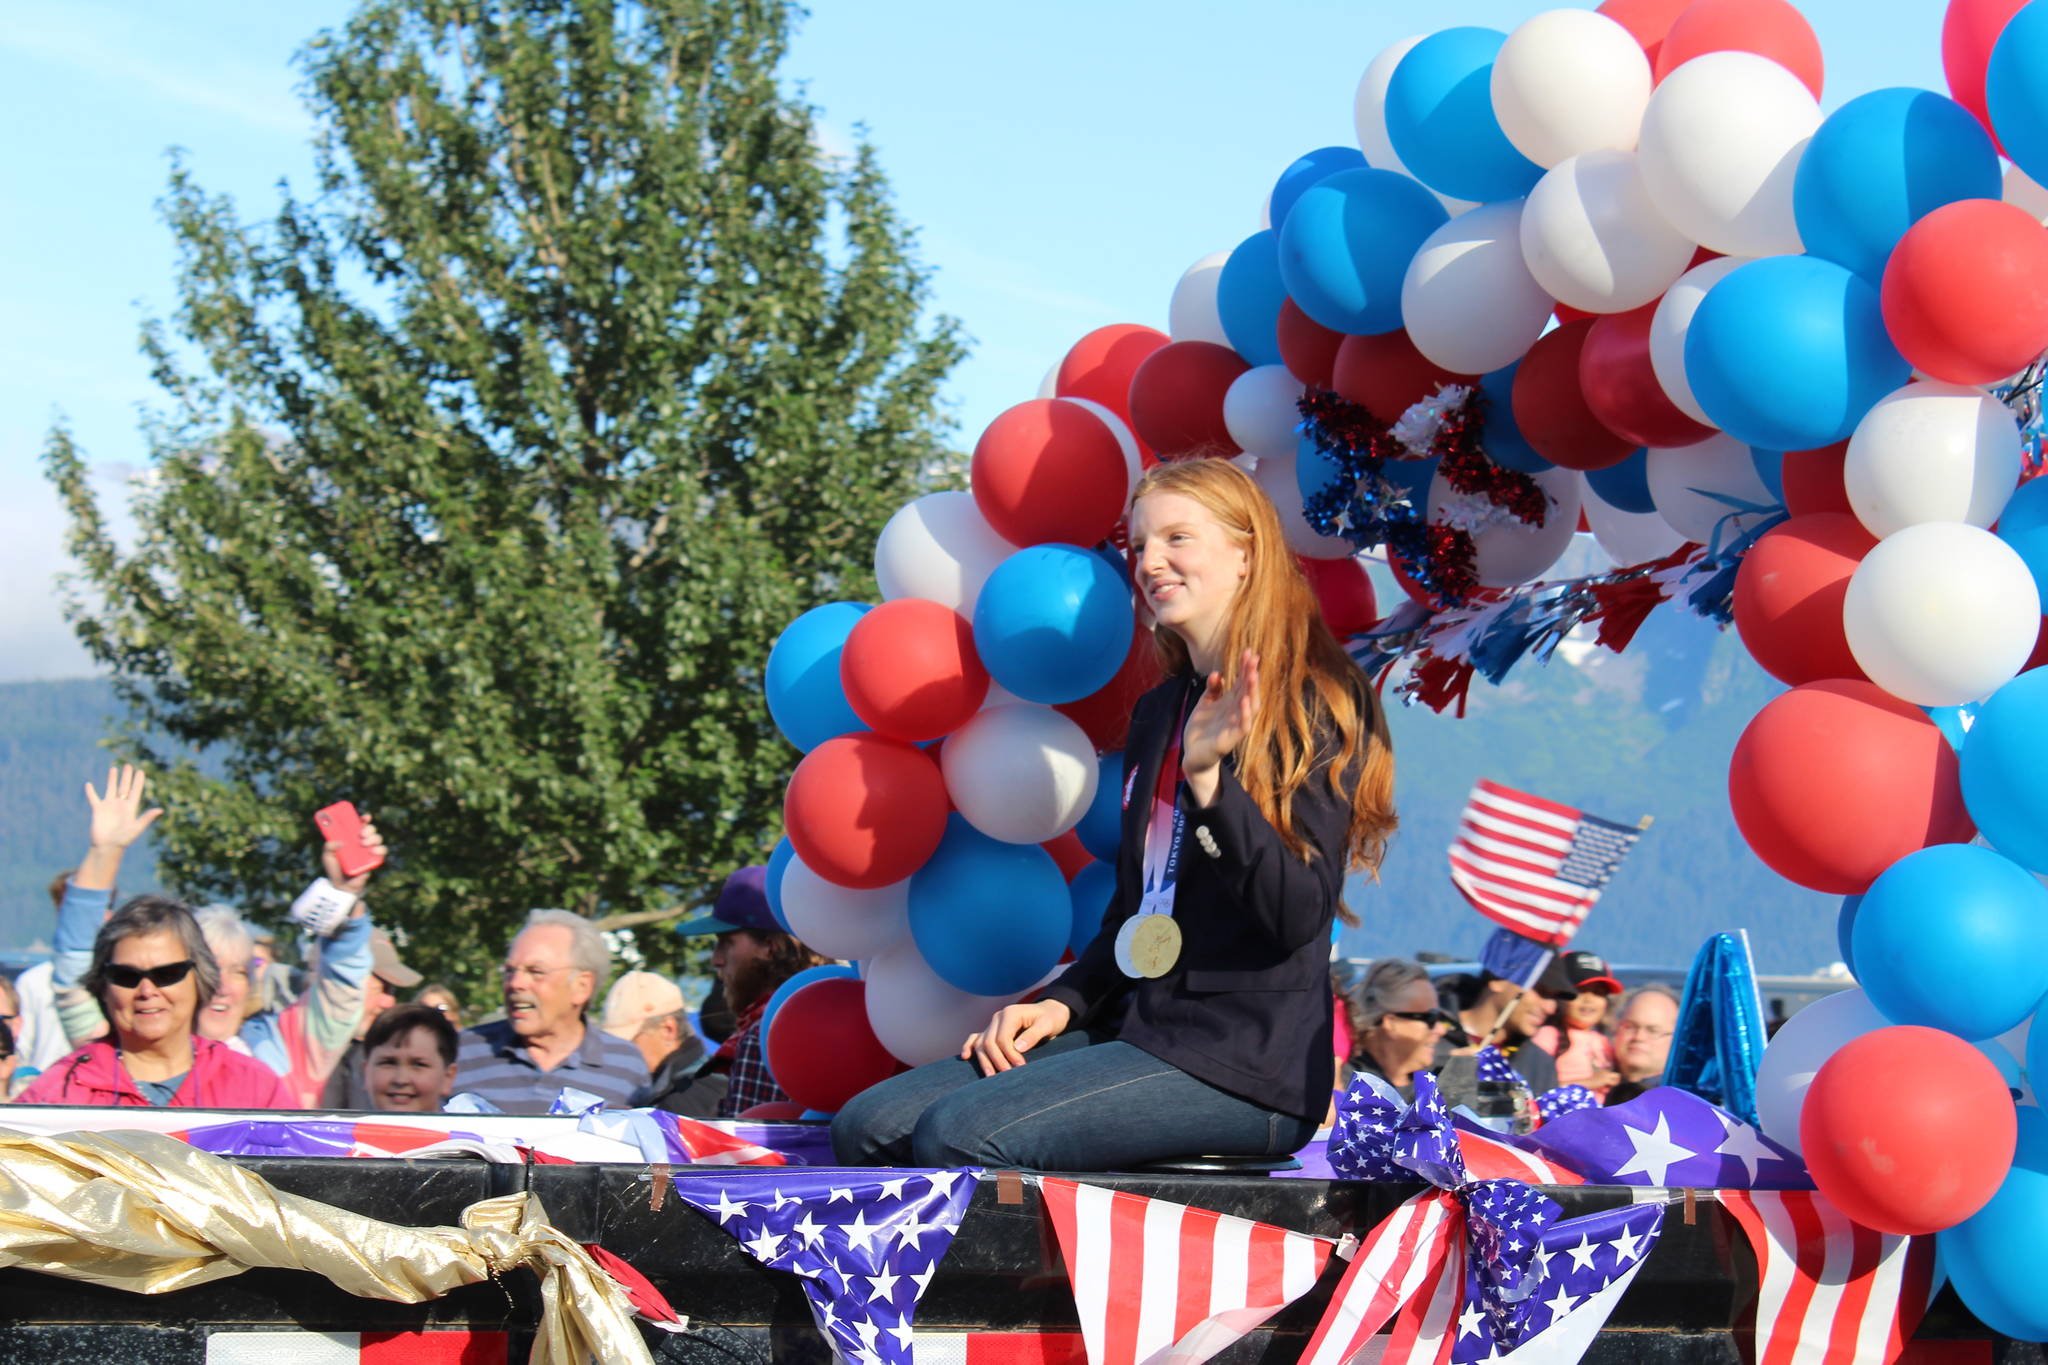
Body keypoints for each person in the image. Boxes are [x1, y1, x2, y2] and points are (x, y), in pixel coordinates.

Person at [832, 457, 1397, 1169]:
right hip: (1139, 1027)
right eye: (1139, 544)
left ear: (1246, 553)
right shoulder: (1165, 710)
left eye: (1177, 539)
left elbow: (1296, 913)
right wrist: (1065, 1000)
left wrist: (1207, 779)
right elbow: (1138, 907)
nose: (1150, 562)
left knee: (957, 1134)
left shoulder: (1319, 698)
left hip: (1246, 1062)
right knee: (867, 1125)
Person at [640, 868, 818, 1117]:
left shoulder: (765, 1034)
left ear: (770, 946)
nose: (715, 959)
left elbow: (746, 1151)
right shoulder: (826, 1012)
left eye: (726, 942)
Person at [451, 908, 646, 1114]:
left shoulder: (627, 1065)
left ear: (582, 986)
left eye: (536, 972)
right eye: (510, 971)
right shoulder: (462, 1051)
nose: (516, 983)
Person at [318, 930, 424, 1109]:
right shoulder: (281, 1054)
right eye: (379, 989)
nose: (389, 1002)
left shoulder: (376, 1053)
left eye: (391, 991)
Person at [1348, 958, 1451, 1102]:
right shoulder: (1346, 1087)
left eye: (1440, 1017)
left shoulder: (1438, 1082)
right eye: (1430, 1018)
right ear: (1391, 1023)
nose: (1441, 1029)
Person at [1532, 950, 1624, 1100]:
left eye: (1598, 993)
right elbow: (1536, 1089)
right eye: (1579, 991)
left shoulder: (1604, 1042)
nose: (1589, 999)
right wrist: (1589, 1083)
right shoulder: (1547, 1036)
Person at [601, 970, 706, 1097]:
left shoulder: (696, 1092)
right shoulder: (666, 1087)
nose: (619, 1053)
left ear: (668, 1029)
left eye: (629, 1041)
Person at [363, 1002, 460, 1112]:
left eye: (418, 1064)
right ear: (366, 1072)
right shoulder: (341, 1128)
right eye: (388, 1063)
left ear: (448, 1077)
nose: (401, 1080)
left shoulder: (468, 1129)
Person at [1605, 983, 1680, 1107]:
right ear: (1615, 1030)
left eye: (1653, 1031)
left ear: (1675, 1040)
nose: (1639, 1037)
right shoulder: (1588, 1087)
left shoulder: (1684, 1102)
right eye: (1630, 1027)